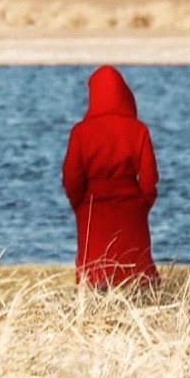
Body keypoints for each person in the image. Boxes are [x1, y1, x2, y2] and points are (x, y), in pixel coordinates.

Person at [61, 65, 160, 288]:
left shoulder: (81, 132)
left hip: (93, 209)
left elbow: (71, 178)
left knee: (95, 273)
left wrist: (81, 205)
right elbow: (149, 178)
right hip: (131, 209)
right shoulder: (138, 130)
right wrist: (142, 204)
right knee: (136, 273)